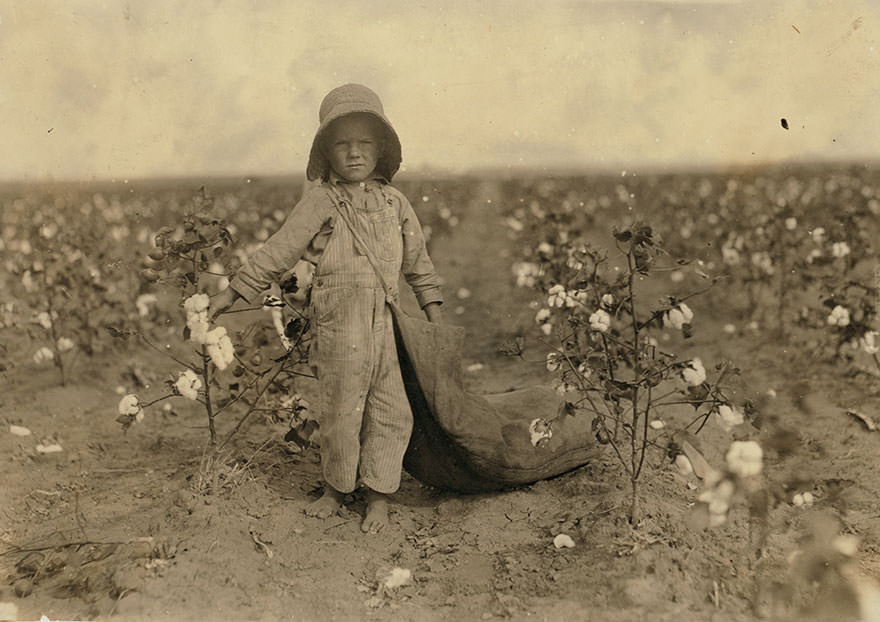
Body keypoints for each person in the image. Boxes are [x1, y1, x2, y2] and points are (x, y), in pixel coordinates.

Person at [211, 84, 444, 533]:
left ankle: (379, 494)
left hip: (389, 327)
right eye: (342, 144)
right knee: (340, 409)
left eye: (365, 143)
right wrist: (234, 292)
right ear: (325, 151)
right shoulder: (321, 201)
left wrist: (433, 314)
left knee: (392, 409)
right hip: (340, 327)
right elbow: (279, 251)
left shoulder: (396, 204)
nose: (354, 153)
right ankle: (336, 488)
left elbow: (419, 264)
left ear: (382, 149)